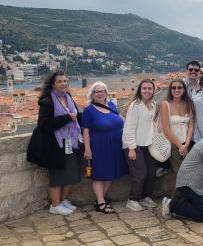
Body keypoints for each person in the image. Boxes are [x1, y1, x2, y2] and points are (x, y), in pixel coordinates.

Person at [27, 71, 82, 215]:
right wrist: (67, 118)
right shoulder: (47, 101)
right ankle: (55, 205)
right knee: (57, 176)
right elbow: (44, 125)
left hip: (70, 142)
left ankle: (62, 200)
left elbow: (76, 116)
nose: (64, 83)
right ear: (53, 84)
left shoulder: (68, 97)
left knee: (72, 173)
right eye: (60, 81)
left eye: (65, 81)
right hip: (54, 145)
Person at [83, 81, 128, 214]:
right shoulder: (88, 110)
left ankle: (99, 200)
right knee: (98, 174)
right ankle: (101, 202)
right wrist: (87, 149)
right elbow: (85, 131)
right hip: (98, 146)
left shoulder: (111, 105)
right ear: (92, 94)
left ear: (106, 93)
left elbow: (122, 119)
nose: (100, 94)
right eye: (97, 91)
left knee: (110, 173)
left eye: (103, 91)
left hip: (115, 146)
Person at [122, 79, 158, 212]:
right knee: (140, 172)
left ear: (153, 90)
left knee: (151, 172)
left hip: (147, 143)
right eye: (144, 88)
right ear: (140, 90)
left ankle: (145, 196)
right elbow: (129, 129)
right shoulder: (135, 106)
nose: (147, 91)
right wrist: (131, 148)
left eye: (149, 88)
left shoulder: (154, 105)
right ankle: (133, 199)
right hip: (133, 144)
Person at [159, 79, 195, 173]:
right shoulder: (165, 105)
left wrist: (186, 144)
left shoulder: (188, 103)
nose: (176, 90)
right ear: (170, 90)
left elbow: (191, 124)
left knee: (190, 172)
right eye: (173, 88)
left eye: (179, 87)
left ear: (184, 90)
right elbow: (166, 129)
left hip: (187, 143)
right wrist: (181, 147)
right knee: (181, 173)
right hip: (173, 144)